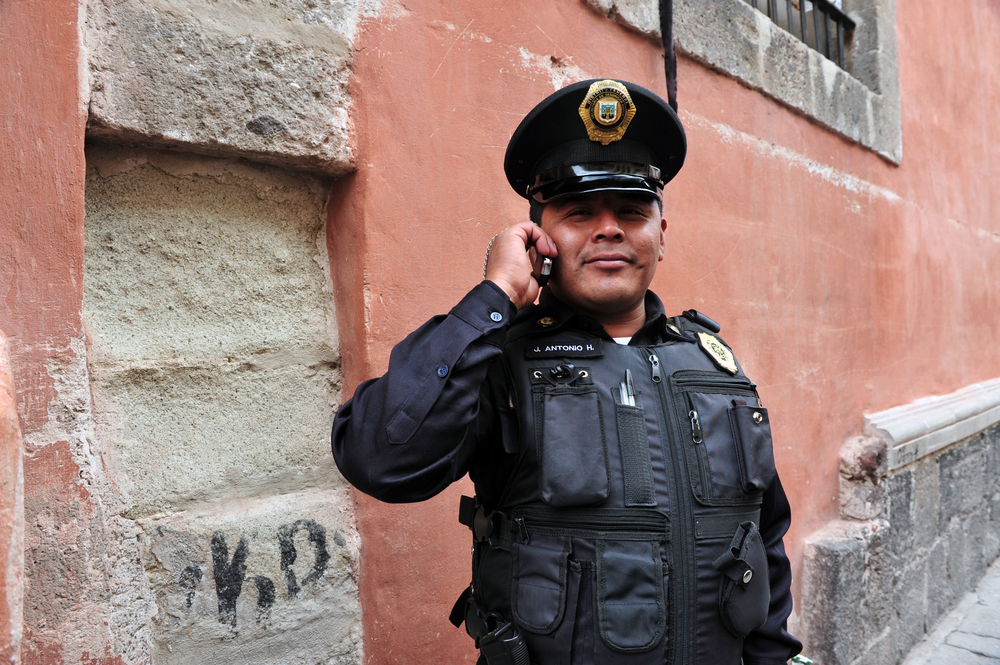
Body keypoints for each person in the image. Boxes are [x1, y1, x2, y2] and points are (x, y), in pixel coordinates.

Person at [332, 78, 802, 665]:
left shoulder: (712, 363)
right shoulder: (497, 359)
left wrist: (778, 657)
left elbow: (761, 534)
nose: (609, 228)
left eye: (632, 211)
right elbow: (379, 459)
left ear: (662, 234)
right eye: (579, 212)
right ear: (539, 238)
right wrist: (495, 295)